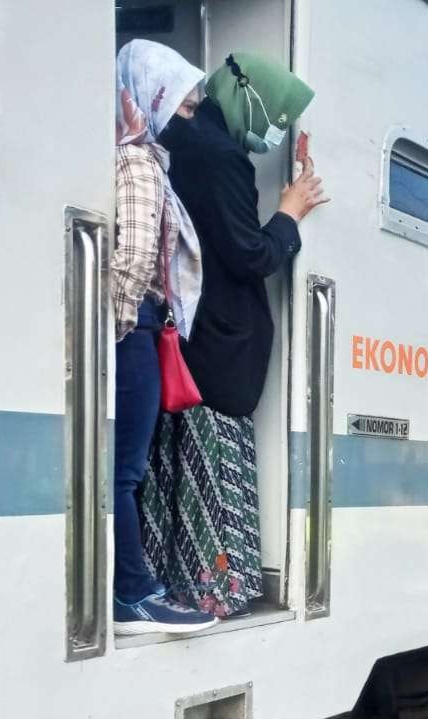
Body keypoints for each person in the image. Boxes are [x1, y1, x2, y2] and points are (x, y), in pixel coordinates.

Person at [146, 51, 326, 617]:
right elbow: (250, 255)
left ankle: (173, 581)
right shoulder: (220, 157)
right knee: (215, 468)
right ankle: (214, 591)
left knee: (177, 466)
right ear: (245, 92)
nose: (272, 127)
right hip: (220, 345)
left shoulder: (181, 142)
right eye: (274, 112)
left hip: (189, 338)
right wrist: (290, 214)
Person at [109, 41, 216, 637]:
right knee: (125, 470)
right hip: (134, 328)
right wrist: (123, 333)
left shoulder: (125, 157)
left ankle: (131, 587)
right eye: (181, 104)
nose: (187, 117)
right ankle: (133, 594)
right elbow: (129, 264)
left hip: (134, 329)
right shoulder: (139, 164)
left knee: (120, 468)